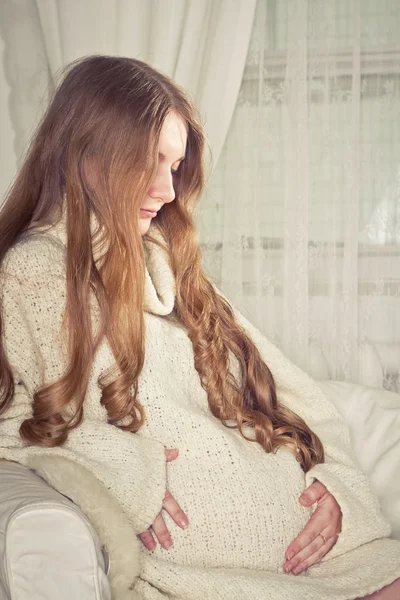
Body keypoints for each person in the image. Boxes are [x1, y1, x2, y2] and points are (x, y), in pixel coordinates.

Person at [0, 55, 399, 600]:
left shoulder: (175, 271)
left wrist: (340, 489)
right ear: (87, 150)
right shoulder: (32, 271)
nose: (167, 189)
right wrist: (122, 467)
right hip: (211, 577)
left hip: (332, 558)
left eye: (175, 166)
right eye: (151, 161)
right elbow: (12, 423)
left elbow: (305, 399)